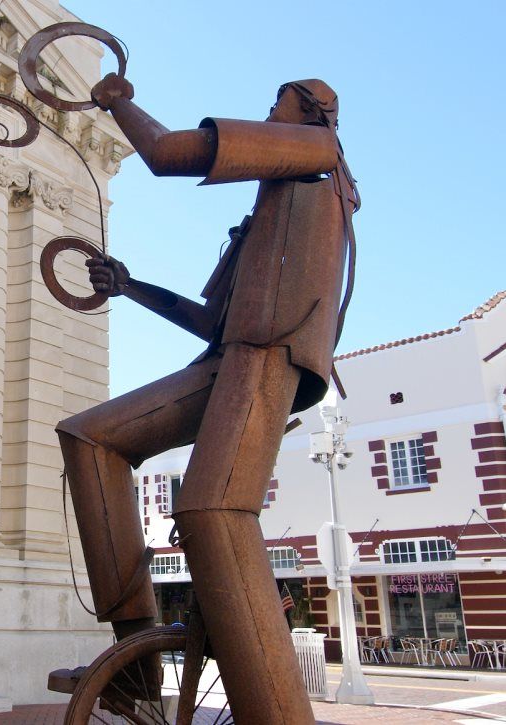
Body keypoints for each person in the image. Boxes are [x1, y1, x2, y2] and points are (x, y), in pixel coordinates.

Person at [49, 73, 358, 724]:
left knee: (210, 508)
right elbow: (210, 322)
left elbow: (167, 154)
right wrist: (130, 287)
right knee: (90, 438)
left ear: (311, 112)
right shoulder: (267, 216)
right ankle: (132, 670)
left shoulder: (314, 154)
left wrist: (117, 102)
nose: (266, 115)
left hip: (267, 360)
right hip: (231, 357)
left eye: (275, 104)